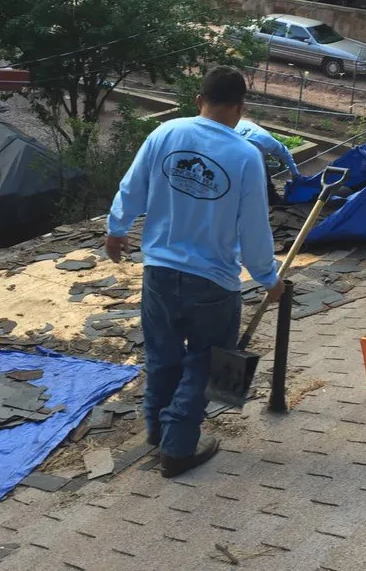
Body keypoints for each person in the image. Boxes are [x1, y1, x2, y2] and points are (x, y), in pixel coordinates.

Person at [106, 67, 285, 479]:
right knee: (204, 362)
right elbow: (253, 226)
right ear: (241, 109)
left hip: (160, 273)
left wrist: (116, 230)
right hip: (214, 280)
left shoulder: (165, 133)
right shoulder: (244, 156)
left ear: (198, 99)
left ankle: (156, 431)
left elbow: (132, 187)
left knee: (162, 355)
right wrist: (268, 277)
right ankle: (177, 447)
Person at [234, 118, 301, 205]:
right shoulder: (246, 147)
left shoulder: (273, 144)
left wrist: (295, 174)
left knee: (263, 173)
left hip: (246, 133)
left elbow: (286, 155)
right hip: (236, 144)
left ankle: (270, 196)